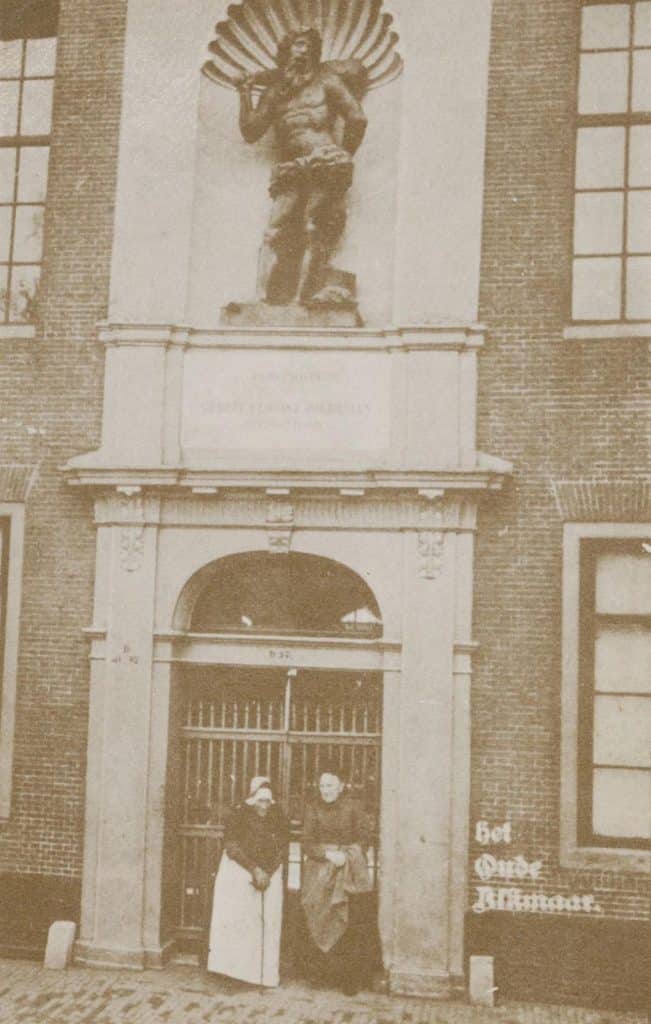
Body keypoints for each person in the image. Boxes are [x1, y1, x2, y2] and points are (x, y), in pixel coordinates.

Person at [234, 28, 368, 306]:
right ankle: (260, 299)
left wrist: (341, 155)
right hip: (293, 167)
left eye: (308, 46)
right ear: (286, 53)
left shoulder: (328, 81)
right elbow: (251, 130)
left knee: (312, 227)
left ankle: (300, 300)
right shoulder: (275, 93)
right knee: (274, 230)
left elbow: (356, 117)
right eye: (297, 45)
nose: (302, 51)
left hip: (325, 160)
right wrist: (244, 92)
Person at [299, 765, 382, 995]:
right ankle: (320, 975)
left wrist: (347, 855)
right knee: (318, 915)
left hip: (348, 871)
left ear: (341, 787)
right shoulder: (313, 809)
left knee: (348, 922)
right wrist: (326, 854)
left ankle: (349, 979)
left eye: (330, 785)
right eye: (322, 786)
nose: (325, 790)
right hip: (319, 871)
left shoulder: (352, 807)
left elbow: (364, 837)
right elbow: (306, 842)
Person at [207, 776, 289, 987]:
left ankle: (262, 975)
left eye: (267, 801)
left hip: (268, 876)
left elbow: (282, 846)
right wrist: (254, 869)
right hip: (239, 872)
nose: (264, 805)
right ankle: (233, 972)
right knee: (238, 923)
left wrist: (268, 872)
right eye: (259, 800)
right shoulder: (238, 815)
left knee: (265, 923)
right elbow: (232, 845)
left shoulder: (278, 817)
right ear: (251, 799)